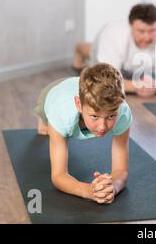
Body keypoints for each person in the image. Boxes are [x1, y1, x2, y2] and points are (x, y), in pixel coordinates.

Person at [33, 63, 132, 204]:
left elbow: (121, 169)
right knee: (45, 124)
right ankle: (43, 118)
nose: (102, 127)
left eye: (110, 116)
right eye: (94, 116)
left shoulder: (122, 112)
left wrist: (112, 187)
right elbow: (58, 176)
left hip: (78, 86)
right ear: (79, 105)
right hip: (53, 92)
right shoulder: (60, 113)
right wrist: (88, 191)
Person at [73, 3, 156, 97]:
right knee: (92, 54)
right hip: (107, 46)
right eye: (141, 31)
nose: (147, 37)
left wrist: (155, 86)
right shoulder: (113, 35)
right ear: (131, 26)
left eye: (152, 31)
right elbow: (107, 80)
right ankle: (78, 49)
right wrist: (137, 86)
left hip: (139, 67)